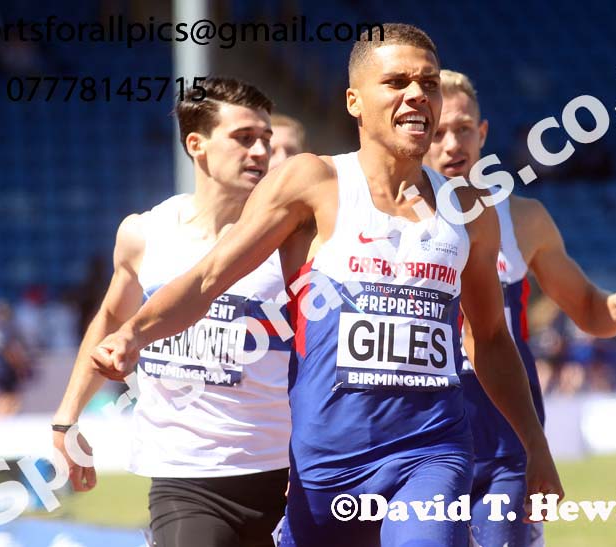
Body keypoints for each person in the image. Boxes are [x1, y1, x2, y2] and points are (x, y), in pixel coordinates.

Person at [91, 24, 562, 547]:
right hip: (327, 464)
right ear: (354, 101)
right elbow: (207, 278)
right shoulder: (313, 183)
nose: (416, 95)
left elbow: (493, 338)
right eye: (397, 82)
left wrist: (535, 447)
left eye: (428, 83)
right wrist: (134, 333)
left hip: (432, 450)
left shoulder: (469, 212)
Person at [424, 69, 616, 547]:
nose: (452, 143)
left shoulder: (523, 219)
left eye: (462, 129)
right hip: (418, 441)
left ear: (482, 134)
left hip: (505, 448)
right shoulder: (380, 224)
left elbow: (586, 306)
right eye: (438, 131)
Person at [52, 77, 291, 547]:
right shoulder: (146, 234)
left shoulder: (294, 239)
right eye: (244, 138)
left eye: (265, 138)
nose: (261, 151)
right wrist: (67, 419)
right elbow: (110, 321)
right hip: (186, 479)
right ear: (196, 145)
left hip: (286, 472)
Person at [0, 298, 35, 415]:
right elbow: (10, 350)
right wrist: (20, 367)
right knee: (11, 398)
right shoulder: (6, 327)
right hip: (6, 368)